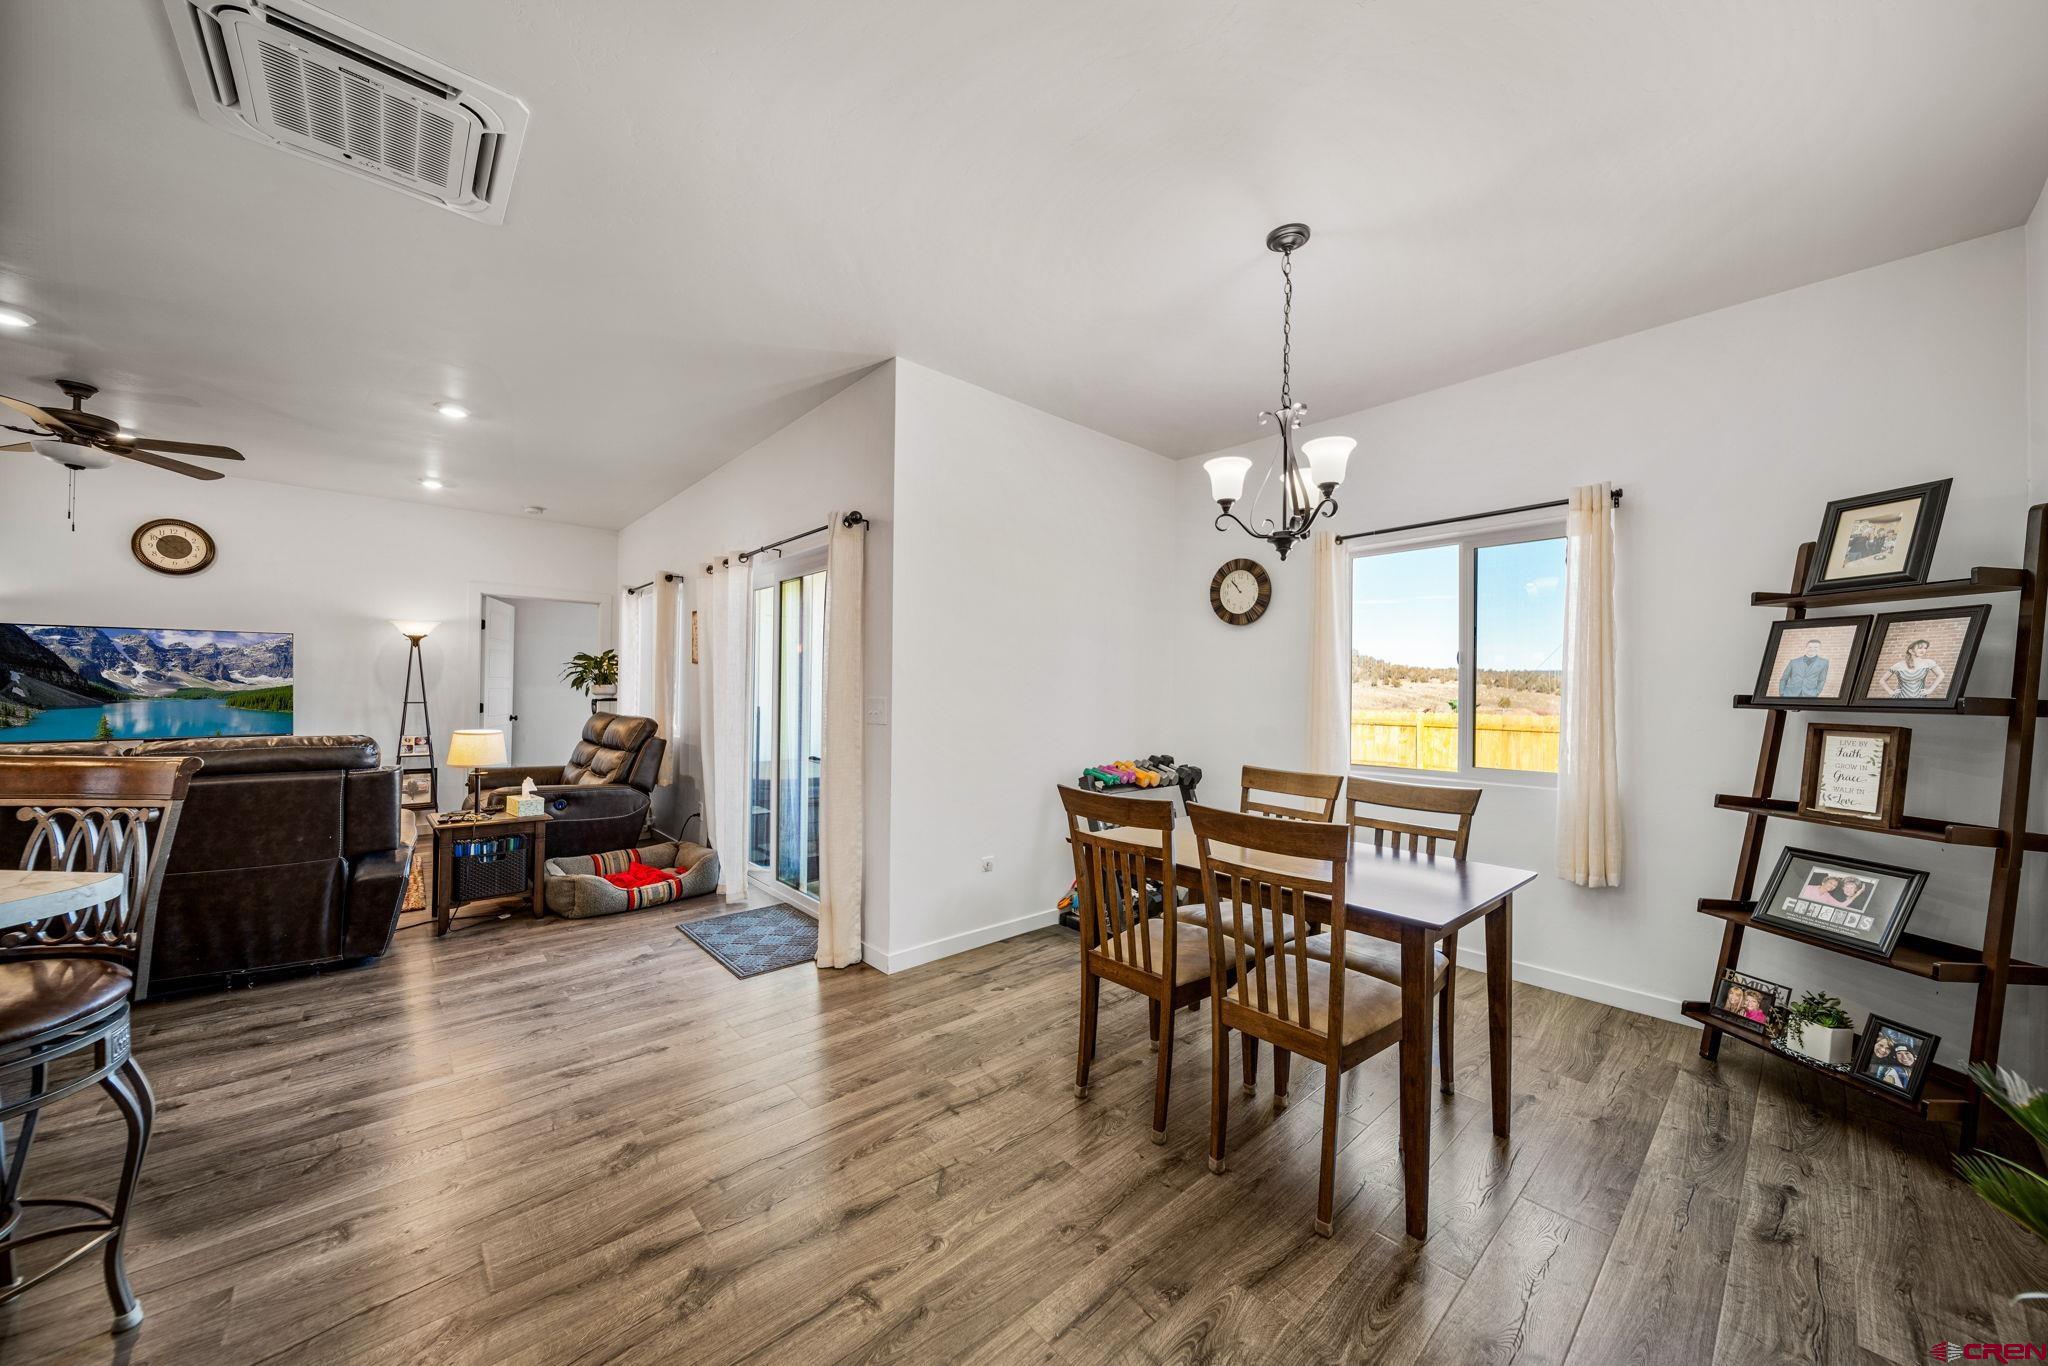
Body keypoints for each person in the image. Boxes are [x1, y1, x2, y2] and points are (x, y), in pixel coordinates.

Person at [1879, 638, 1946, 700]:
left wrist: (1930, 690)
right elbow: (1882, 680)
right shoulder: (1898, 665)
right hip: (1900, 699)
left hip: (1920, 699)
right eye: (1920, 648)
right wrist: (1891, 692)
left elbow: (1941, 675)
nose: (1923, 650)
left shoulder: (1928, 662)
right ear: (1911, 651)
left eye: (1925, 648)